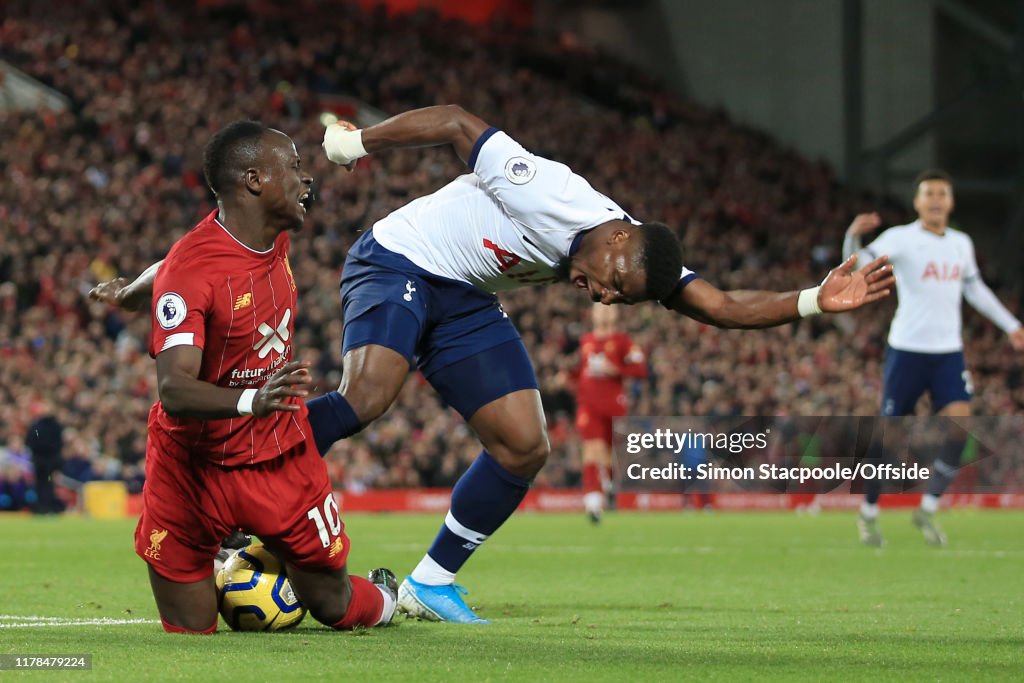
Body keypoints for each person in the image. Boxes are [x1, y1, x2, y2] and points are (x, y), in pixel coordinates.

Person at [99, 106, 894, 624]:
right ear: (614, 239)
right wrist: (356, 144)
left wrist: (815, 301)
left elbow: (717, 306)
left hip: (466, 295)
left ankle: (430, 580)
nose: (600, 297)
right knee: (369, 395)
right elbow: (453, 121)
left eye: (615, 299)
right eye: (608, 283)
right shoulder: (547, 191)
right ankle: (244, 485)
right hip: (400, 257)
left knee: (525, 443)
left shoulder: (637, 259)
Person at [91, 121, 397, 634]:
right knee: (191, 630)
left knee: (334, 606)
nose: (307, 183)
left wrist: (131, 291)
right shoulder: (194, 272)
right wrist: (252, 398)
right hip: (192, 466)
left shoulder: (268, 234)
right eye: (295, 169)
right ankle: (225, 561)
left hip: (277, 455)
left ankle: (389, 597)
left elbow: (171, 263)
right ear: (254, 180)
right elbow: (174, 389)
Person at [842, 169, 1024, 547]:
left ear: (951, 201)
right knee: (891, 435)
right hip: (907, 350)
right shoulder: (902, 237)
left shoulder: (960, 243)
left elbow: (975, 290)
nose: (937, 199)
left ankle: (926, 509)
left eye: (943, 193)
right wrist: (853, 236)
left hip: (947, 354)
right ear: (918, 202)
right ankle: (869, 512)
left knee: (960, 427)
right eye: (930, 193)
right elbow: (858, 266)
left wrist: (1010, 325)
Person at [573, 304, 647, 523]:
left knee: (608, 454)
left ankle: (609, 486)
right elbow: (581, 371)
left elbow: (640, 370)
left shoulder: (624, 341)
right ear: (592, 313)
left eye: (608, 309)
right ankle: (593, 501)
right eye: (599, 308)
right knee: (591, 449)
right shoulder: (585, 341)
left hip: (614, 404)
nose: (604, 312)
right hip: (588, 404)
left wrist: (615, 370)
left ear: (615, 314)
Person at [25, 400, 65, 514]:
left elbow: (30, 441)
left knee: (41, 484)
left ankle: (42, 507)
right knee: (48, 483)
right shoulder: (56, 426)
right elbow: (58, 444)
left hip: (40, 461)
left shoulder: (36, 425)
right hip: (50, 462)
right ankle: (48, 507)